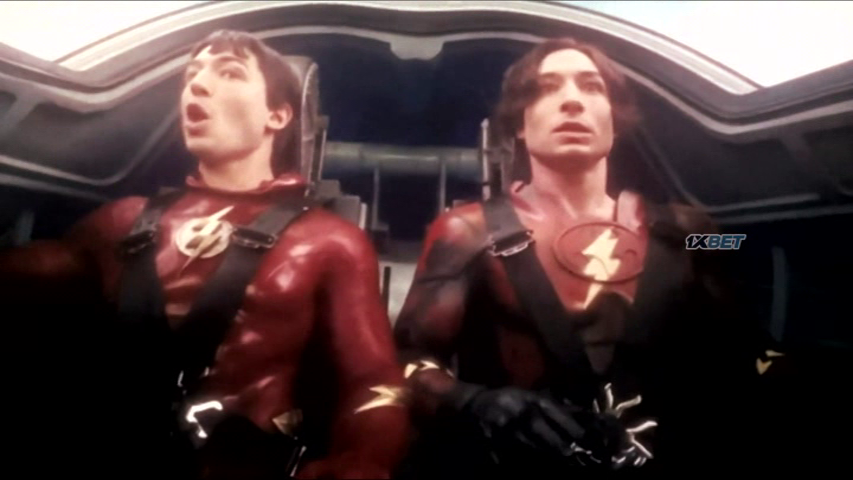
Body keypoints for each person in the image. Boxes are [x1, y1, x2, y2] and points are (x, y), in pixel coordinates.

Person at [0, 30, 408, 479]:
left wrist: (364, 460)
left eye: (229, 73)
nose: (197, 84)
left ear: (277, 115)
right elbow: (31, 286)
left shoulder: (329, 240)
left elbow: (374, 382)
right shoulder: (120, 221)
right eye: (191, 75)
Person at [393, 37, 778, 475]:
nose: (572, 100)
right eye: (547, 88)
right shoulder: (466, 232)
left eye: (592, 87)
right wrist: (473, 401)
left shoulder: (688, 232)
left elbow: (745, 321)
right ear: (520, 124)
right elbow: (402, 362)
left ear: (614, 119)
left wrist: (760, 242)